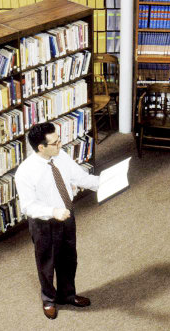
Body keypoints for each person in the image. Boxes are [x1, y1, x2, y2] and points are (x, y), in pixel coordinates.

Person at [15, 122, 99, 320]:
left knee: (69, 258)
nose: (60, 144)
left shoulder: (60, 156)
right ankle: (49, 300)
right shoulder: (25, 172)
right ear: (41, 147)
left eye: (59, 139)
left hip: (67, 215)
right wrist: (52, 211)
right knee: (47, 262)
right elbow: (28, 206)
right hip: (44, 222)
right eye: (55, 142)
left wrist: (104, 182)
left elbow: (80, 177)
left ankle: (67, 295)